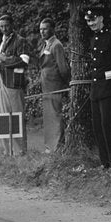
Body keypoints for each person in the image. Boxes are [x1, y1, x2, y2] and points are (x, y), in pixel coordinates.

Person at [85, 7, 111, 167]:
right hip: (96, 89)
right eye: (88, 21)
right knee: (98, 127)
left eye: (93, 20)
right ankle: (105, 161)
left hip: (109, 88)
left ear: (101, 18)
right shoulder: (93, 39)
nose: (91, 23)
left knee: (110, 125)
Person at [0, 13, 30, 155]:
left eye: (6, 26)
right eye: (1, 26)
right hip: (1, 82)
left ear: (12, 25)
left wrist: (4, 60)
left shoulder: (20, 40)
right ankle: (7, 150)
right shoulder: (2, 41)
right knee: (3, 117)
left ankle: (20, 151)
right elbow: (3, 61)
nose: (4, 29)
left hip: (14, 83)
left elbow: (24, 61)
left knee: (16, 116)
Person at [35, 18, 70, 153]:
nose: (42, 32)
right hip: (47, 86)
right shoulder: (46, 44)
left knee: (55, 115)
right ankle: (50, 146)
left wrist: (67, 84)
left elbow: (63, 68)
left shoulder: (56, 45)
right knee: (49, 116)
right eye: (40, 29)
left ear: (52, 29)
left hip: (55, 86)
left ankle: (57, 147)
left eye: (45, 29)